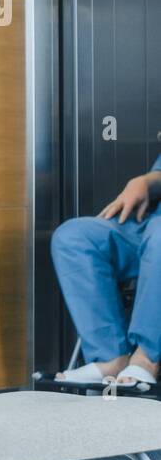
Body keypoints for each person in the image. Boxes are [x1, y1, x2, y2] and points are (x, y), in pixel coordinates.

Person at [52, 155, 161, 387]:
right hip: (150, 224)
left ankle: (147, 359)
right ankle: (111, 357)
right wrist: (145, 182)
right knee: (74, 237)